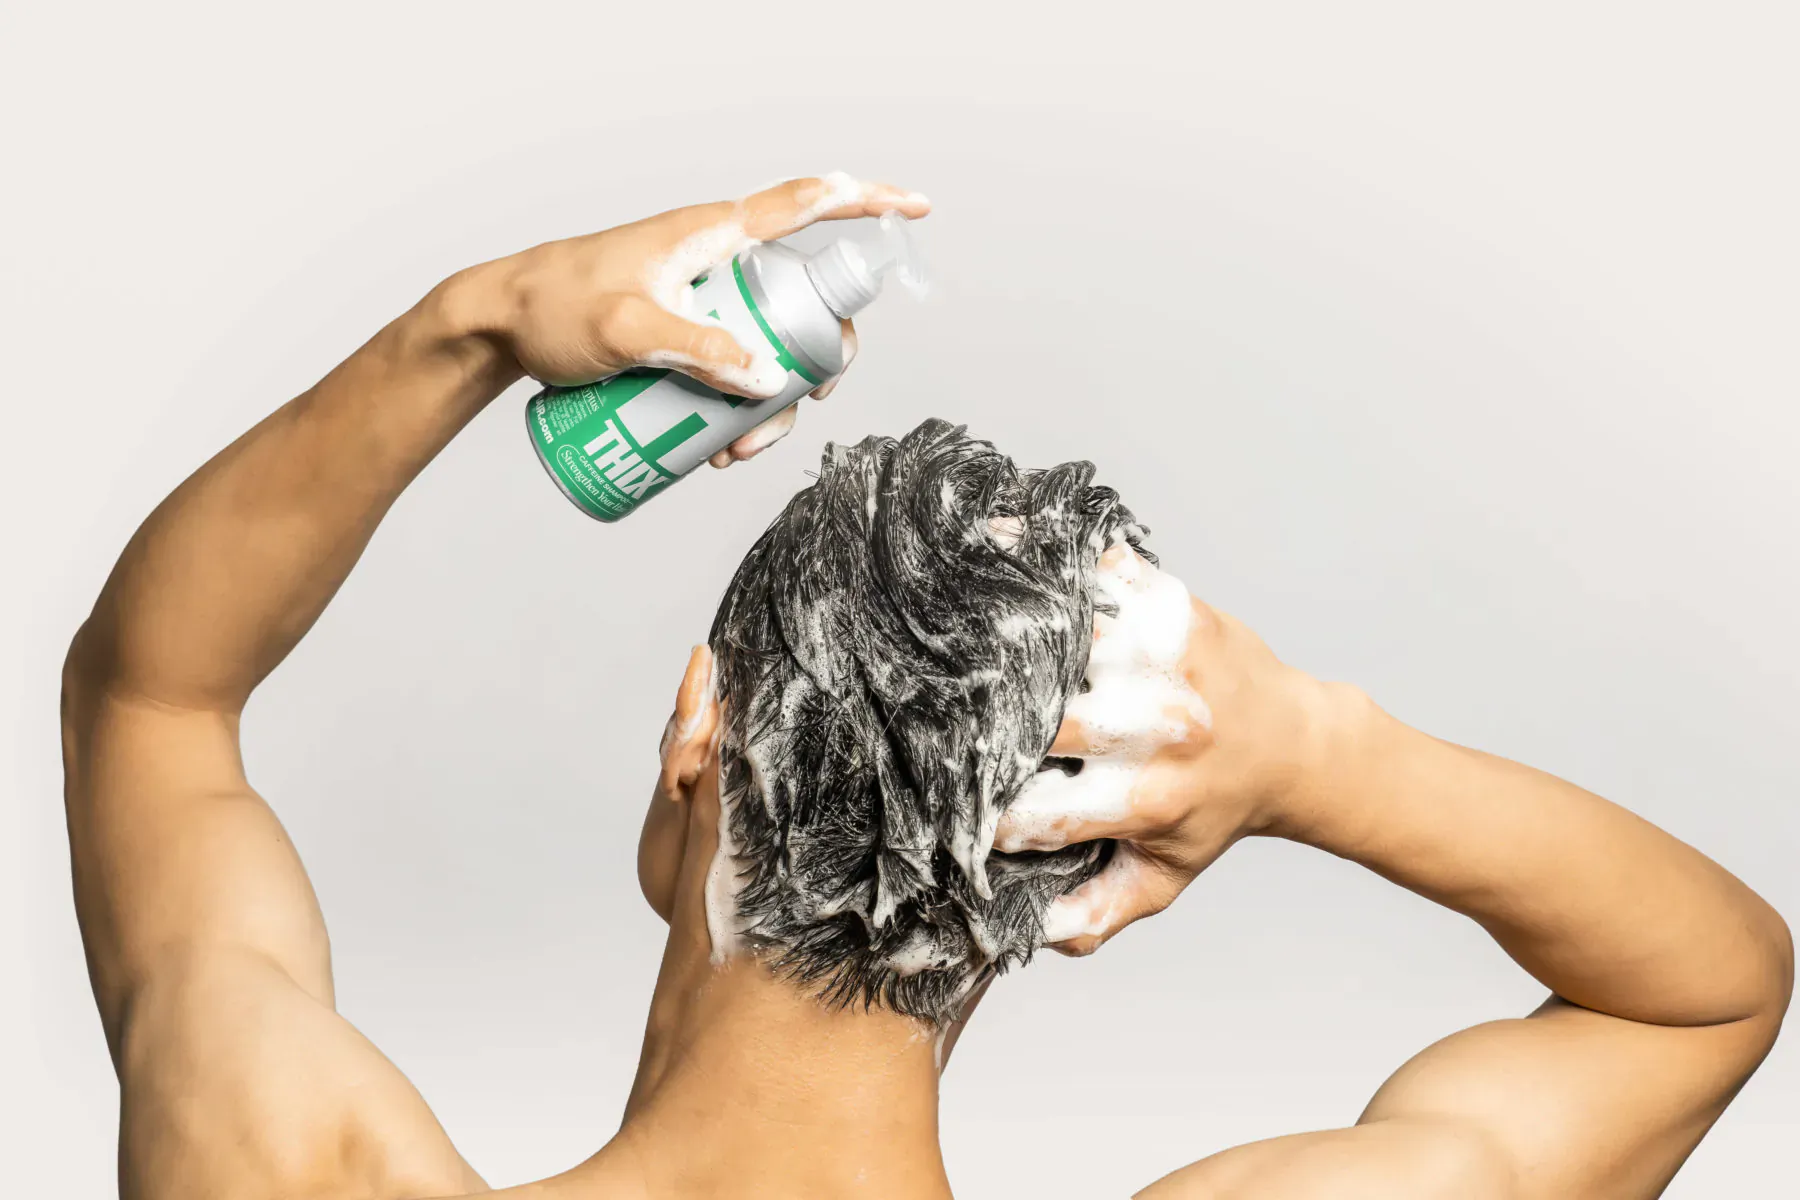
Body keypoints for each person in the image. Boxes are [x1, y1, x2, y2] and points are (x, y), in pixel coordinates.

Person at [60, 179, 1790, 1200]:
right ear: (1075, 868)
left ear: (697, 738)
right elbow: (1703, 998)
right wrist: (1309, 752)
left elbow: (154, 698)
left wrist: (479, 321)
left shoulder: (285, 1154)